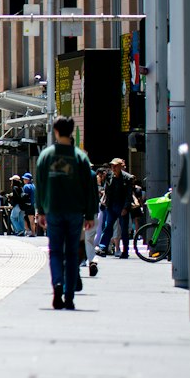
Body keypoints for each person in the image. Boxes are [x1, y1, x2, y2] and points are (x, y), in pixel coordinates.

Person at [35, 115, 99, 309]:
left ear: (55, 131)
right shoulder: (80, 157)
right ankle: (69, 295)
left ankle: (57, 286)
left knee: (55, 251)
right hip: (74, 212)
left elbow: (40, 184)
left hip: (53, 210)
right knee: (71, 253)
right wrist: (89, 214)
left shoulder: (46, 156)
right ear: (71, 132)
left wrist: (40, 210)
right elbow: (89, 187)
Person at [98, 156, 135, 259]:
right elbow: (106, 190)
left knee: (123, 230)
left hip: (122, 206)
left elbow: (129, 195)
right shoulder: (109, 176)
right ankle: (103, 248)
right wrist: (105, 202)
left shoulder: (127, 178)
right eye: (112, 166)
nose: (113, 168)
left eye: (115, 166)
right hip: (111, 206)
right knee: (108, 226)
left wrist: (125, 208)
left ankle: (125, 250)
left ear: (120, 167)